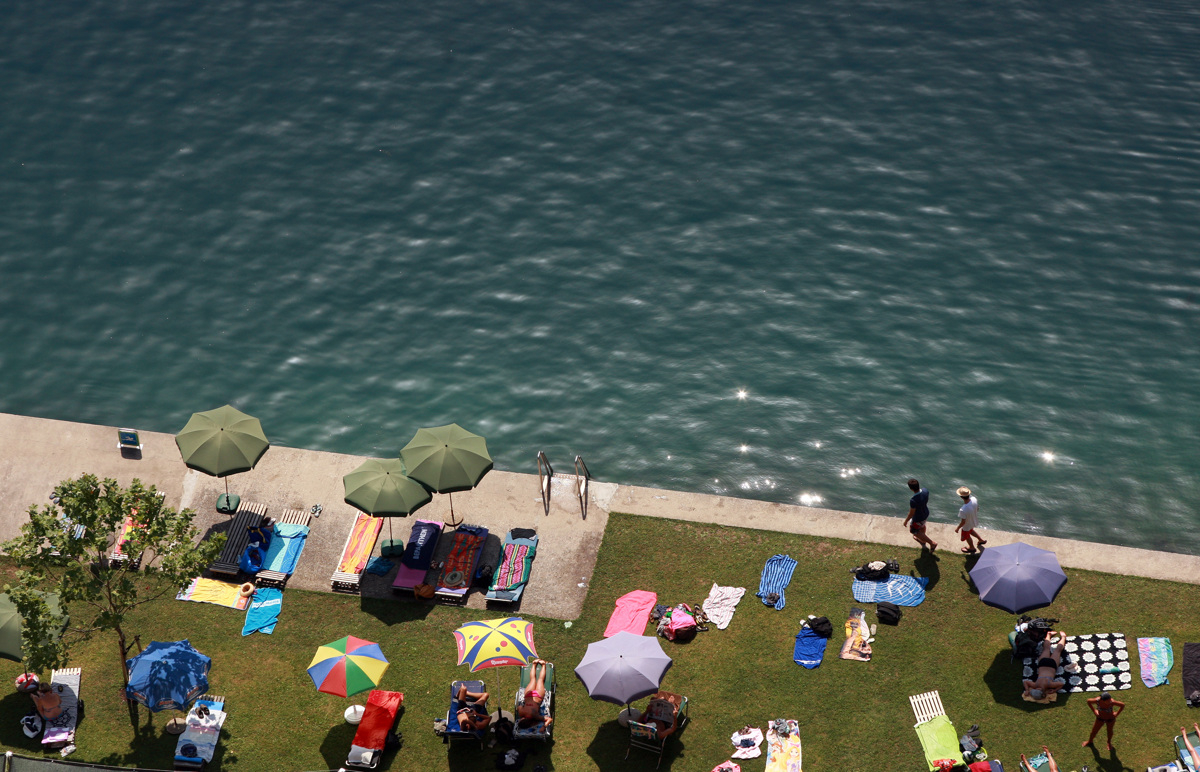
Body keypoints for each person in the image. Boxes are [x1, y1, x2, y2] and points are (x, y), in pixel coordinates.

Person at [1023, 630, 1069, 700]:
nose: (1038, 688)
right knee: (1056, 650)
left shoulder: (1038, 685)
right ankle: (1062, 637)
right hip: (1049, 664)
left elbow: (1026, 682)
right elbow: (1061, 684)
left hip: (1045, 664)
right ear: (1042, 691)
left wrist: (1026, 690)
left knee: (1048, 649)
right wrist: (1054, 690)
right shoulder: (1047, 684)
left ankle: (1049, 635)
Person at [517, 660, 553, 729]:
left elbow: (549, 719)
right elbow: (519, 707)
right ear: (522, 720)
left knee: (540, 680)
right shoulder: (521, 713)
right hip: (528, 695)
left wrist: (543, 727)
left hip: (538, 696)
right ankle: (534, 664)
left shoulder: (535, 717)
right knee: (533, 680)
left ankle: (543, 665)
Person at [902, 479, 937, 551]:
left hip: (918, 518)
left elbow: (911, 513)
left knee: (913, 531)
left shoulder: (913, 500)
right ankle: (922, 540)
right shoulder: (925, 491)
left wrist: (906, 521)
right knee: (922, 526)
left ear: (911, 489)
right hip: (925, 513)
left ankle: (932, 543)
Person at [954, 486, 986, 554]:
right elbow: (977, 508)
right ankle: (980, 540)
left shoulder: (963, 509)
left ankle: (971, 548)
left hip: (967, 525)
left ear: (961, 497)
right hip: (974, 521)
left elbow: (963, 522)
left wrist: (957, 528)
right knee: (971, 531)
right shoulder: (974, 499)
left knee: (966, 536)